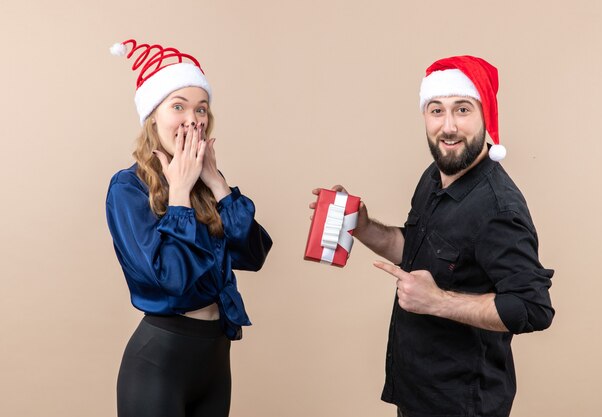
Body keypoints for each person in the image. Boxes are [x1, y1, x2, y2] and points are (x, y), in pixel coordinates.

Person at [311, 56, 554, 417]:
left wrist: (437, 301)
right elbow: (416, 251)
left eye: (463, 110)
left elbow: (533, 308)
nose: (449, 126)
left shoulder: (499, 208)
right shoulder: (435, 175)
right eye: (436, 110)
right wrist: (363, 227)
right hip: (419, 394)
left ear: (486, 117)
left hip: (464, 404)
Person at [106, 39, 272, 417]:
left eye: (201, 108)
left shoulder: (204, 183)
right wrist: (178, 193)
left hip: (214, 357)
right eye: (178, 106)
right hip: (160, 362)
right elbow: (171, 278)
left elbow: (253, 254)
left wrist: (218, 186)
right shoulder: (127, 188)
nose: (192, 118)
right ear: (152, 116)